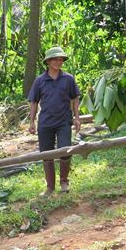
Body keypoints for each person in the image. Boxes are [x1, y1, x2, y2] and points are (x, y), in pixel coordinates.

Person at [28, 46, 81, 195]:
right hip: (45, 123)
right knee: (47, 154)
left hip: (64, 121)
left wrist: (77, 118)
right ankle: (50, 187)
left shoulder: (68, 79)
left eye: (61, 59)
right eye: (55, 59)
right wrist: (32, 122)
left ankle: (64, 181)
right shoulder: (40, 81)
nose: (58, 62)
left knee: (65, 151)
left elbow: (75, 98)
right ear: (48, 62)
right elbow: (34, 101)